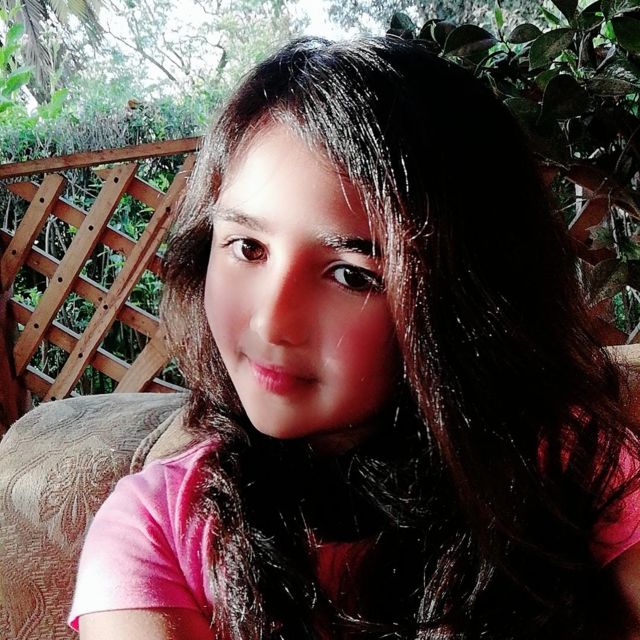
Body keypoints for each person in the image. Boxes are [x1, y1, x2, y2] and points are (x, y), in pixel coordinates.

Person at [68, 36, 640, 639]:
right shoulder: (154, 529)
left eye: (352, 276)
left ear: (468, 300)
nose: (270, 323)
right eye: (247, 247)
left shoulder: (575, 464)